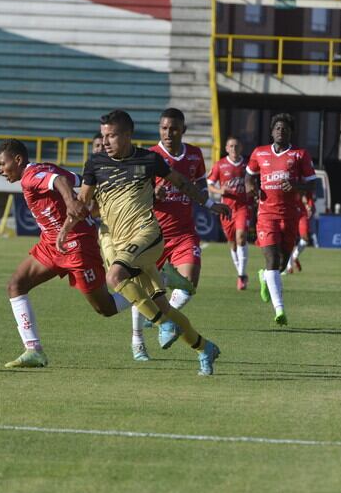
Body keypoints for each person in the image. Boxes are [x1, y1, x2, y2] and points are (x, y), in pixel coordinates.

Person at [61, 110, 230, 376]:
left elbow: (182, 183)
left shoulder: (147, 161)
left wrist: (208, 203)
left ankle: (159, 326)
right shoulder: (95, 164)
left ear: (128, 135)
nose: (105, 141)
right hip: (115, 241)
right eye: (103, 135)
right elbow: (84, 203)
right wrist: (66, 228)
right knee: (162, 305)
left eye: (112, 135)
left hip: (146, 235)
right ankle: (203, 347)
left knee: (115, 277)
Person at [0, 139, 131, 368]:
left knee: (105, 308)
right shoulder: (44, 168)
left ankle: (152, 282)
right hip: (52, 244)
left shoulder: (31, 176)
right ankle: (33, 350)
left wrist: (70, 201)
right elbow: (76, 179)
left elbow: (59, 181)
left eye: (2, 164)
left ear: (18, 160)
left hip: (77, 245)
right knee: (16, 285)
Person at [129, 108, 205, 359]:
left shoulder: (194, 155)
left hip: (184, 232)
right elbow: (133, 194)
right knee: (140, 289)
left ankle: (163, 317)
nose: (168, 132)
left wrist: (207, 200)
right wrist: (153, 195)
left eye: (173, 128)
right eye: (163, 128)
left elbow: (200, 185)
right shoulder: (149, 156)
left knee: (189, 281)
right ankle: (137, 341)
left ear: (183, 130)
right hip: (152, 233)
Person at [244, 113, 318, 326]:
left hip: (290, 215)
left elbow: (312, 184)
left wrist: (296, 186)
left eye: (285, 129)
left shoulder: (300, 155)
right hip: (266, 215)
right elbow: (249, 175)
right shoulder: (259, 153)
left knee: (282, 263)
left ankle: (265, 276)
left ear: (290, 132)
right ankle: (280, 310)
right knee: (271, 259)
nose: (281, 131)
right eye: (277, 128)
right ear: (271, 131)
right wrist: (251, 187)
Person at [207, 135, 252, 290]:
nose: (234, 149)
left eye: (236, 146)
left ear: (241, 148)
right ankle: (241, 271)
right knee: (232, 243)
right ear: (226, 148)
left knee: (241, 237)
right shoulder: (220, 165)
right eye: (231, 146)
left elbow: (253, 182)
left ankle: (241, 275)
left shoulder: (247, 165)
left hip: (242, 207)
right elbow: (210, 185)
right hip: (226, 209)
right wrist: (220, 190)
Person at [285, 191, 314, 274]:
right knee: (289, 239)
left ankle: (295, 256)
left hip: (302, 213)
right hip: (290, 211)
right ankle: (288, 266)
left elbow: (309, 198)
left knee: (305, 238)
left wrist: (309, 207)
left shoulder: (307, 183)